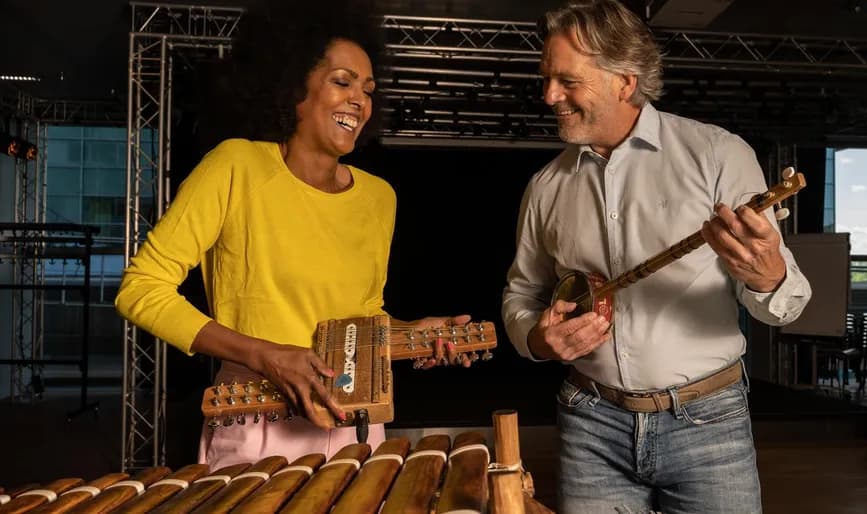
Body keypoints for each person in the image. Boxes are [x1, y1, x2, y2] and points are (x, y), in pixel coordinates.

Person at [115, 0, 470, 469]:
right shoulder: (235, 166)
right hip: (253, 421)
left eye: (367, 89)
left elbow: (358, 317)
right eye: (341, 82)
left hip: (355, 424)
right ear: (293, 85)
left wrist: (410, 334)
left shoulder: (379, 198)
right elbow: (141, 289)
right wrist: (267, 357)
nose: (359, 101)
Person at [501, 1, 812, 512]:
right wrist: (537, 337)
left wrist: (767, 274)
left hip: (708, 423)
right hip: (589, 423)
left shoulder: (717, 156)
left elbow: (784, 303)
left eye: (566, 81)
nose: (548, 95)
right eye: (547, 79)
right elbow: (521, 291)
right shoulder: (546, 187)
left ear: (625, 81)